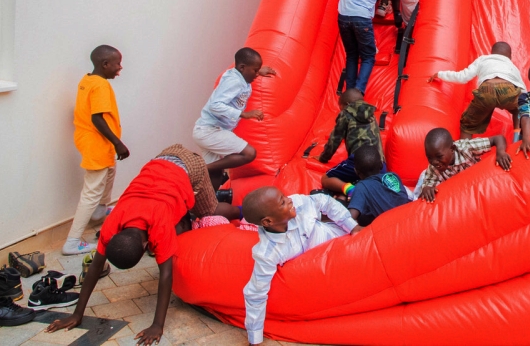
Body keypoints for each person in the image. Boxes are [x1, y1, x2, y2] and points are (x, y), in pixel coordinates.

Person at [47, 145, 240, 345]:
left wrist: (157, 325)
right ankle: (185, 208)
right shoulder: (113, 223)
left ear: (148, 244)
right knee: (180, 219)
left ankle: (240, 210)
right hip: (161, 159)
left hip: (189, 165)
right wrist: (77, 314)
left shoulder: (159, 225)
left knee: (210, 211)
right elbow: (96, 267)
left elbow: (166, 275)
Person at [242, 187, 362, 346]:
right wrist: (255, 339)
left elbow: (323, 200)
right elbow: (255, 293)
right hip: (323, 272)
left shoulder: (298, 204)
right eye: (283, 202)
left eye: (284, 196)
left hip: (341, 241)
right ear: (268, 221)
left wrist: (352, 227)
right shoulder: (268, 252)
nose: (289, 199)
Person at [63, 45, 129, 256]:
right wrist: (117, 142)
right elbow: (97, 118)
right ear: (105, 64)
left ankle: (101, 210)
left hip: (91, 141)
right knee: (91, 192)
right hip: (96, 143)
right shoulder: (100, 86)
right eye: (117, 63)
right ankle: (72, 242)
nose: (120, 67)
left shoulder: (87, 80)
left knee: (110, 170)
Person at [192, 47, 276, 188]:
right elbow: (215, 105)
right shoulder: (234, 81)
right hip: (210, 130)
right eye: (255, 70)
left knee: (216, 174)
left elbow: (243, 73)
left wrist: (258, 72)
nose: (256, 74)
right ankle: (200, 169)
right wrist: (244, 114)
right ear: (243, 67)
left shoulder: (238, 76)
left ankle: (208, 203)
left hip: (207, 130)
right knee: (249, 153)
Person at [429, 41, 526, 139]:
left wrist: (440, 74)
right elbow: (522, 89)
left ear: (491, 53)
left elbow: (462, 77)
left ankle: (464, 150)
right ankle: (517, 138)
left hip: (486, 91)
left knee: (467, 124)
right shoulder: (513, 67)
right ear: (509, 56)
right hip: (508, 92)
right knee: (519, 110)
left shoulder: (483, 60)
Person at [318, 88, 383, 197]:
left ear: (347, 104)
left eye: (341, 107)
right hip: (378, 162)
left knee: (326, 179)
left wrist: (323, 158)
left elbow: (335, 139)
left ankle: (351, 190)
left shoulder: (346, 114)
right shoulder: (371, 113)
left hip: (358, 162)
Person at [420, 128, 511, 202]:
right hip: (457, 193)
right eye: (429, 157)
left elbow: (498, 138)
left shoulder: (466, 148)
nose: (434, 162)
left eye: (439, 157)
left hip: (475, 182)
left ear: (452, 149)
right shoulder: (433, 167)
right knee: (422, 181)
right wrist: (427, 189)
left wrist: (501, 152)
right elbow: (427, 184)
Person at [347, 145, 410, 226]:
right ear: (381, 164)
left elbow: (350, 217)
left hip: (386, 229)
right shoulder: (393, 176)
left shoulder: (361, 187)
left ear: (356, 171)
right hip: (407, 221)